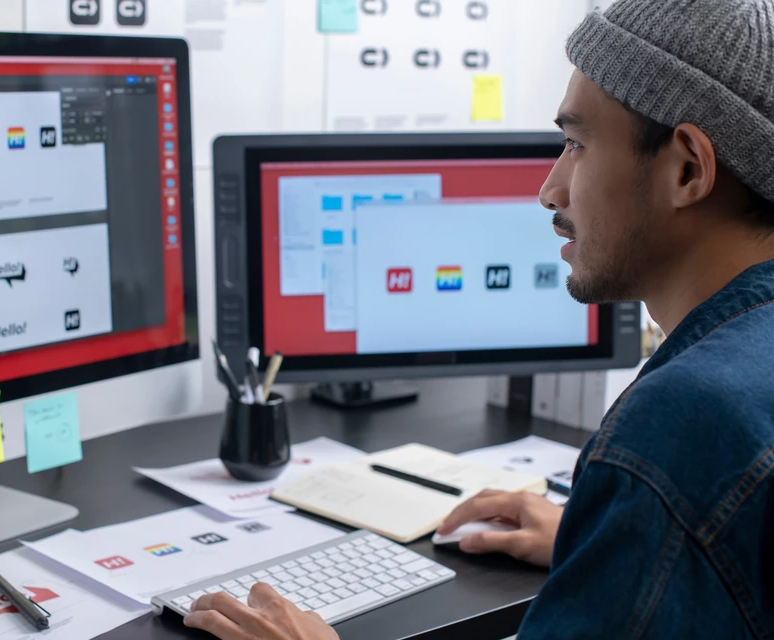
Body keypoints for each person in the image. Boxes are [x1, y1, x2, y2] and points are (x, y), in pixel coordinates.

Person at [184, 0, 774, 637]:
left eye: (577, 144)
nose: (551, 189)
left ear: (687, 167)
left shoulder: (675, 431)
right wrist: (611, 540)